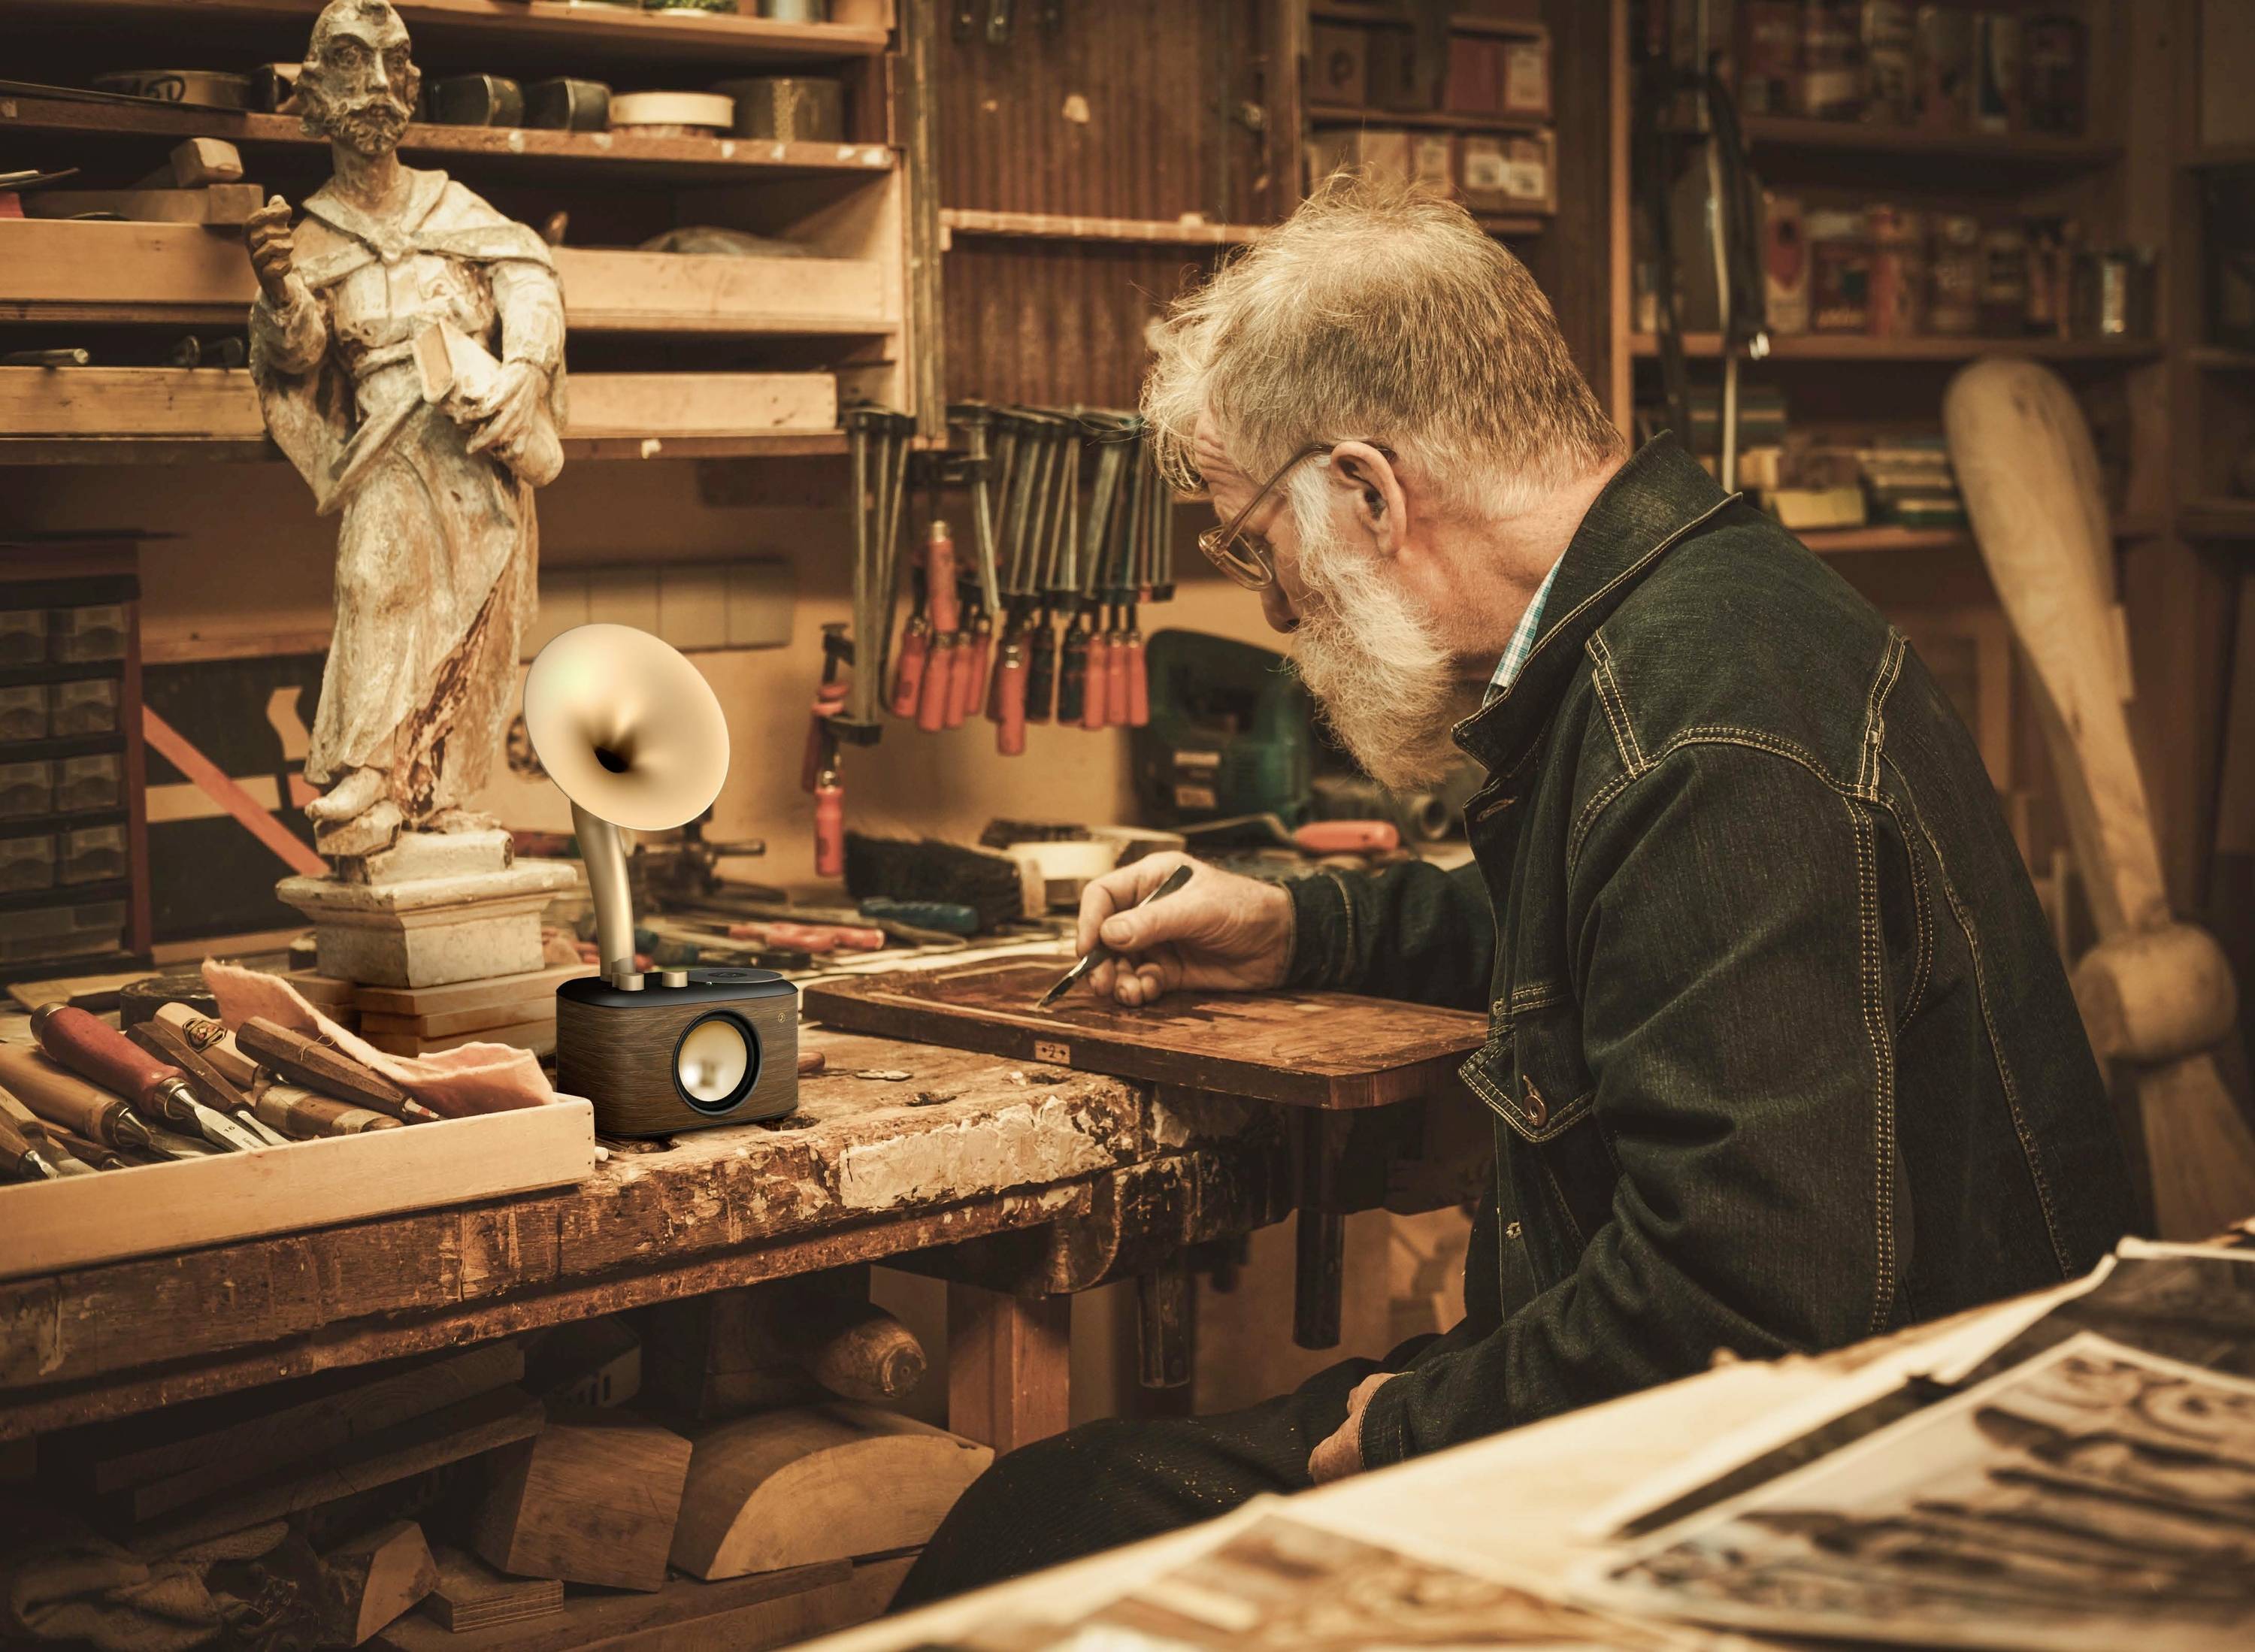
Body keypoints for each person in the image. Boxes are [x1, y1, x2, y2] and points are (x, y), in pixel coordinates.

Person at [888, 176, 2135, 1610]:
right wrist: (1307, 923)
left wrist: (1423, 1426)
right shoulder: (1680, 618)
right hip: (1783, 1408)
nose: (1278, 604)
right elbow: (1632, 939)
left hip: (1871, 1499)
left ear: (1367, 488)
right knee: (1059, 1507)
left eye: (1252, 542)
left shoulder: (1703, 727)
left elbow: (1749, 1298)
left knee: (1054, 1535)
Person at [245, 0, 565, 856]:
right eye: (352, 63)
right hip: (386, 442)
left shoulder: (452, 208)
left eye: (393, 63)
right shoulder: (311, 236)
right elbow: (297, 359)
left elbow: (530, 275)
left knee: (475, 626)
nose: (378, 85)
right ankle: (368, 771)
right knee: (374, 585)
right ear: (314, 93)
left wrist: (527, 369)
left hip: (476, 438)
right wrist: (279, 293)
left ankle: (441, 791)